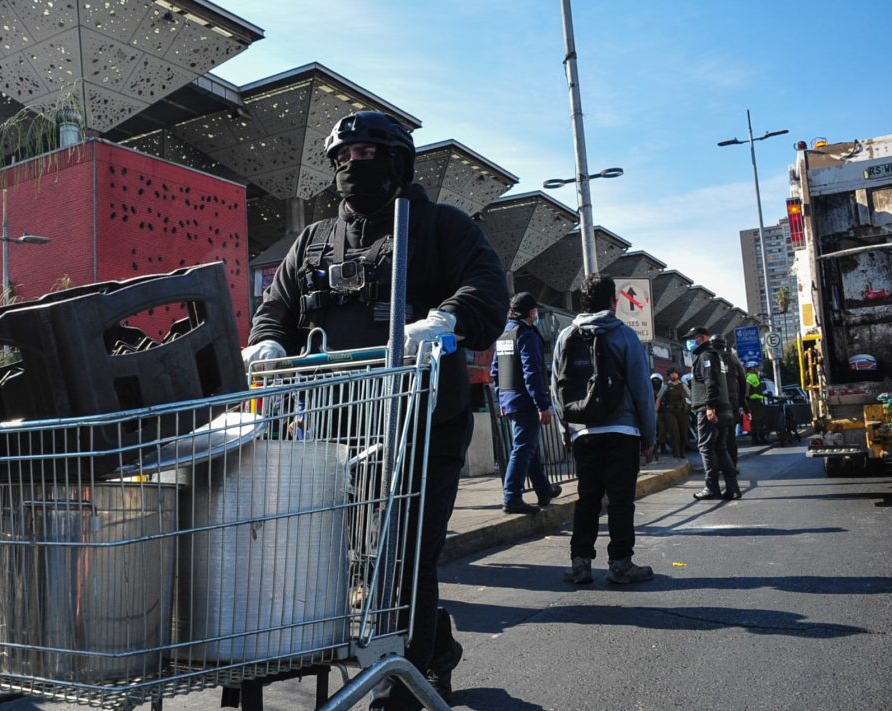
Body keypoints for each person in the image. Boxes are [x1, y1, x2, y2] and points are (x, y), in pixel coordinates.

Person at [241, 111, 509, 708]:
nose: (354, 164)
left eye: (369, 153)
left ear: (398, 162)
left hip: (422, 424)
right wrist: (268, 340)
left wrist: (446, 319)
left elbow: (489, 288)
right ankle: (432, 644)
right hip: (338, 430)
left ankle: (400, 682)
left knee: (407, 552)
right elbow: (276, 308)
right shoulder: (311, 242)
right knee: (355, 557)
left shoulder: (442, 227)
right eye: (345, 155)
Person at [551, 274, 656, 585]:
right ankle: (621, 564)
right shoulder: (624, 335)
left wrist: (565, 431)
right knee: (621, 500)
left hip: (583, 432)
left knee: (588, 498)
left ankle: (580, 564)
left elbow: (556, 387)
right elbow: (641, 390)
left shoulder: (565, 336)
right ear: (614, 302)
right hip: (622, 431)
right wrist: (649, 435)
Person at [491, 291, 563, 514]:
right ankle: (511, 496)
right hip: (525, 401)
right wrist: (542, 405)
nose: (537, 315)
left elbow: (495, 371)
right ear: (531, 312)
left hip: (510, 400)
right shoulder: (527, 334)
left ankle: (543, 490)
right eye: (536, 311)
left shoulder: (504, 334)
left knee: (529, 448)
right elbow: (531, 372)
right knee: (523, 449)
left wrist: (502, 400)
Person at [683, 326, 741, 500]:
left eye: (692, 338)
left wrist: (709, 407)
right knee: (720, 448)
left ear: (701, 338)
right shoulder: (714, 355)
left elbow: (711, 382)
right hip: (724, 408)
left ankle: (711, 488)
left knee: (706, 449)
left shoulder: (706, 356)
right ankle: (732, 487)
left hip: (710, 410)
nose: (689, 342)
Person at [711, 333, 747, 465]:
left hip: (714, 402)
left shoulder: (709, 358)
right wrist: (742, 400)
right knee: (730, 434)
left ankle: (718, 464)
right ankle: (732, 463)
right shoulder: (733, 359)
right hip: (731, 402)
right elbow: (743, 381)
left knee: (714, 435)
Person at [659, 367, 691, 458]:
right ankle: (676, 454)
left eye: (675, 373)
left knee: (683, 434)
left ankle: (681, 452)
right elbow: (658, 399)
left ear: (678, 374)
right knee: (674, 433)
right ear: (669, 375)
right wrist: (655, 412)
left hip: (682, 412)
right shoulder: (666, 386)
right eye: (671, 373)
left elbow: (691, 396)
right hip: (670, 412)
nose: (673, 375)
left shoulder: (683, 385)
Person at [745, 361, 769, 445]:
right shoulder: (751, 376)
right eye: (756, 367)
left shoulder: (753, 376)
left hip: (755, 401)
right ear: (752, 368)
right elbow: (748, 387)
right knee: (758, 421)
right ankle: (760, 439)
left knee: (755, 422)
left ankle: (756, 440)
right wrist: (747, 395)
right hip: (754, 402)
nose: (757, 369)